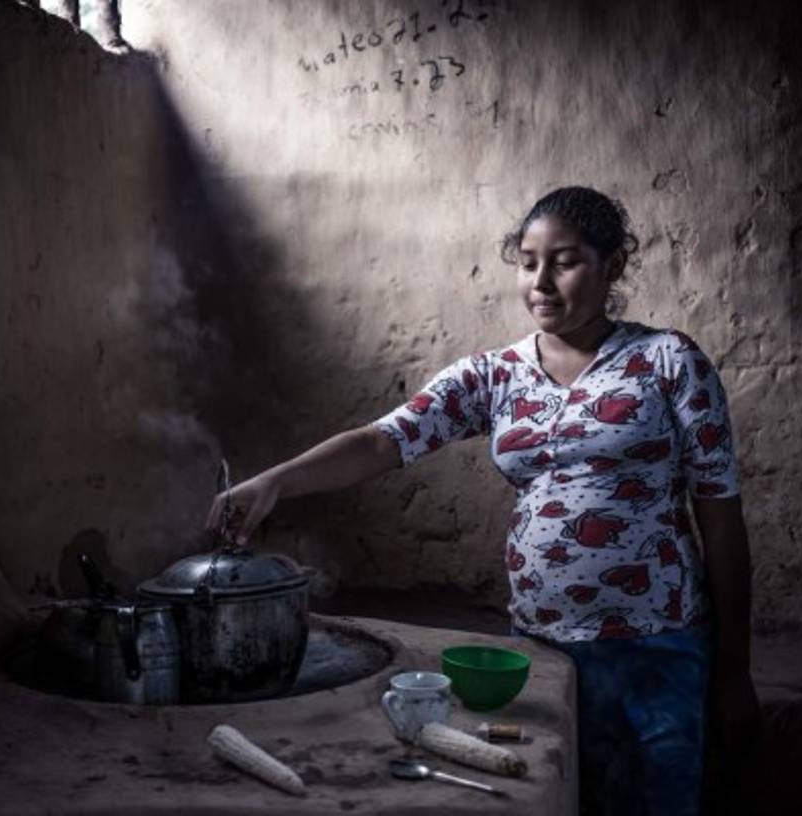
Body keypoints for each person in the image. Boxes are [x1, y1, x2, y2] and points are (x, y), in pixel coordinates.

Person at [204, 186, 760, 815]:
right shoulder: (494, 376)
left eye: (565, 262)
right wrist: (275, 481)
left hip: (655, 648)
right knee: (554, 797)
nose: (541, 283)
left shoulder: (668, 362)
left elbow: (722, 518)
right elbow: (383, 441)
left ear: (613, 265)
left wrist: (734, 671)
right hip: (540, 650)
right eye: (527, 263)